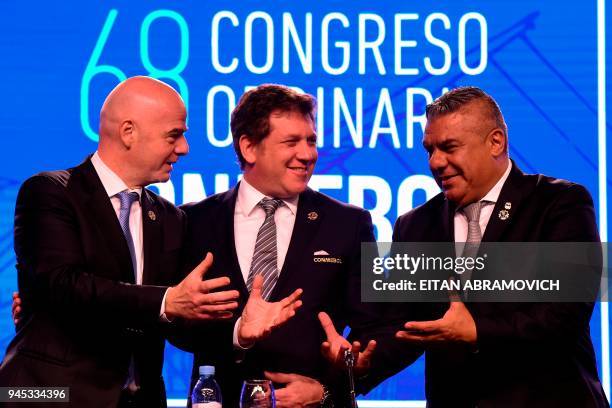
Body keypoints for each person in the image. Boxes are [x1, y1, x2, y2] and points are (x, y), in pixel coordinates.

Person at [0, 77, 301, 408]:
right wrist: (165, 301)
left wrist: (239, 333)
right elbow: (63, 285)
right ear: (129, 132)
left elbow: (181, 317)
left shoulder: (170, 219)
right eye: (174, 134)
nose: (184, 147)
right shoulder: (51, 192)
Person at [322, 86, 609, 407]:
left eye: (449, 147)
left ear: (495, 142)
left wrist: (476, 330)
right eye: (429, 150)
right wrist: (361, 364)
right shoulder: (416, 225)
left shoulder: (558, 203)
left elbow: (564, 316)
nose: (436, 162)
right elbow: (403, 326)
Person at [178, 84, 377, 407]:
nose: (308, 154)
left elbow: (374, 330)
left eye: (311, 141)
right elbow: (177, 326)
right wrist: (239, 334)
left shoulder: (349, 224)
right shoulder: (194, 222)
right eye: (291, 142)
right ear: (249, 148)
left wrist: (328, 388)